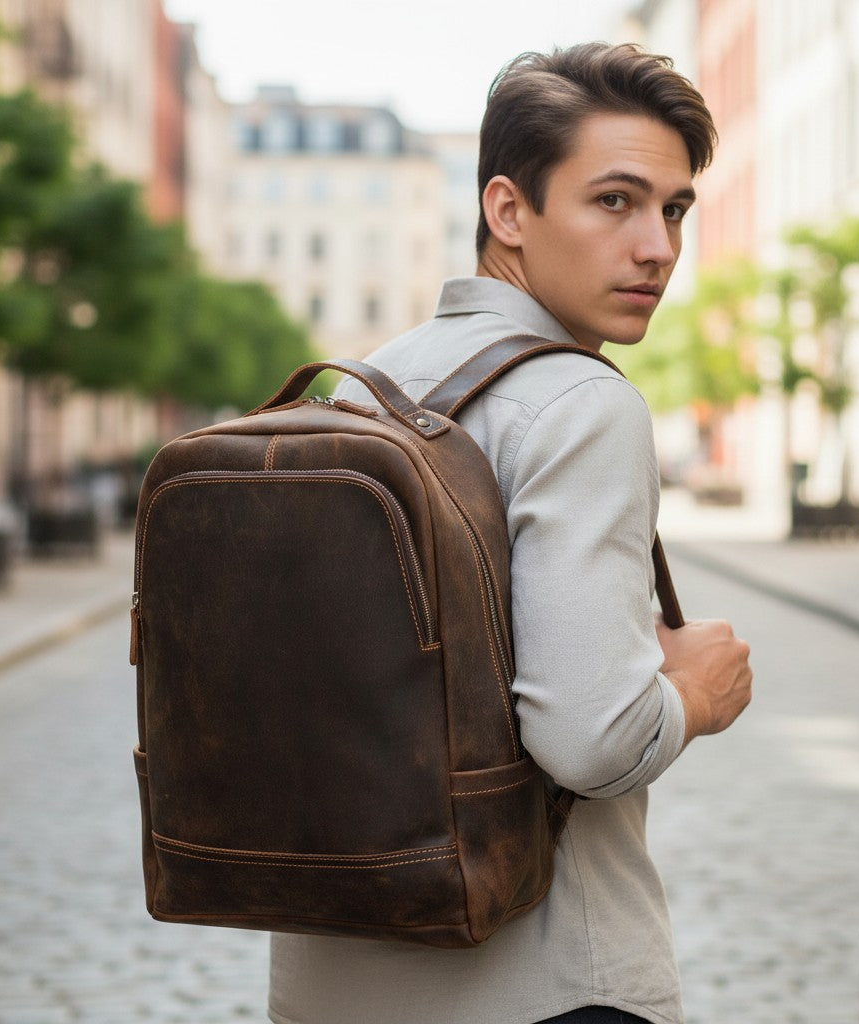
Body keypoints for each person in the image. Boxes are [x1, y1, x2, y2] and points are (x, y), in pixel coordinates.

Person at [268, 42, 752, 1024]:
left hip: (330, 982)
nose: (657, 247)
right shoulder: (580, 402)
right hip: (541, 982)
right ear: (507, 210)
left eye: (673, 210)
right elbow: (591, 739)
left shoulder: (360, 386)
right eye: (614, 201)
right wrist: (696, 693)